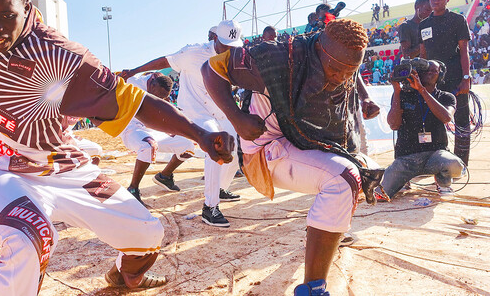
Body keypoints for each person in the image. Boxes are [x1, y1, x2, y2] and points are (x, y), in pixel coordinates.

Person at [0, 0, 235, 295]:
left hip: (63, 165)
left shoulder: (63, 58)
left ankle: (125, 275)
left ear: (26, 8)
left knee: (147, 234)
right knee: (30, 237)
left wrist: (201, 134)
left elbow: (136, 102)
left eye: (6, 15)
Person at [202, 19, 382, 295]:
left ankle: (326, 233)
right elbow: (211, 69)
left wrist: (365, 96)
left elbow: (349, 72)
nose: (340, 78)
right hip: (266, 146)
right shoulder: (275, 58)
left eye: (349, 71)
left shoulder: (341, 64)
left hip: (300, 138)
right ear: (319, 48)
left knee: (364, 167)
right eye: (335, 69)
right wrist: (236, 118)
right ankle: (312, 288)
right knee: (344, 178)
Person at [119, 20, 243, 228]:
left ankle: (220, 187)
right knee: (215, 145)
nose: (230, 50)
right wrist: (133, 71)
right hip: (197, 112)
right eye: (226, 45)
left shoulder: (235, 55)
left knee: (237, 146)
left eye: (233, 46)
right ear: (215, 39)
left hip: (220, 109)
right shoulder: (193, 53)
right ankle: (210, 208)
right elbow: (164, 61)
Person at [380, 60, 463, 200]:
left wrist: (422, 91)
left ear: (440, 76)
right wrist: (397, 91)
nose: (429, 74)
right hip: (407, 157)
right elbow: (393, 125)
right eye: (426, 71)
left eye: (433, 71)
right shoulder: (403, 94)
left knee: (454, 164)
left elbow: (446, 117)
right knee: (381, 194)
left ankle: (443, 182)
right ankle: (404, 180)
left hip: (435, 155)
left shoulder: (446, 97)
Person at [120, 72, 195, 205]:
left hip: (151, 129)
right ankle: (133, 189)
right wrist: (167, 128)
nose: (159, 99)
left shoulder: (157, 83)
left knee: (187, 146)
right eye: (159, 96)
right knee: (148, 146)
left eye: (163, 97)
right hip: (132, 128)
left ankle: (164, 177)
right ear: (153, 85)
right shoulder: (132, 83)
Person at [419, 0, 472, 166]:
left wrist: (466, 78)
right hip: (433, 80)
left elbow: (464, 50)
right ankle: (436, 162)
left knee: (462, 122)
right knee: (433, 119)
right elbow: (423, 55)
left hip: (456, 77)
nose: (436, 2)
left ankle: (461, 164)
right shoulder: (424, 25)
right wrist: (422, 80)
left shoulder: (457, 20)